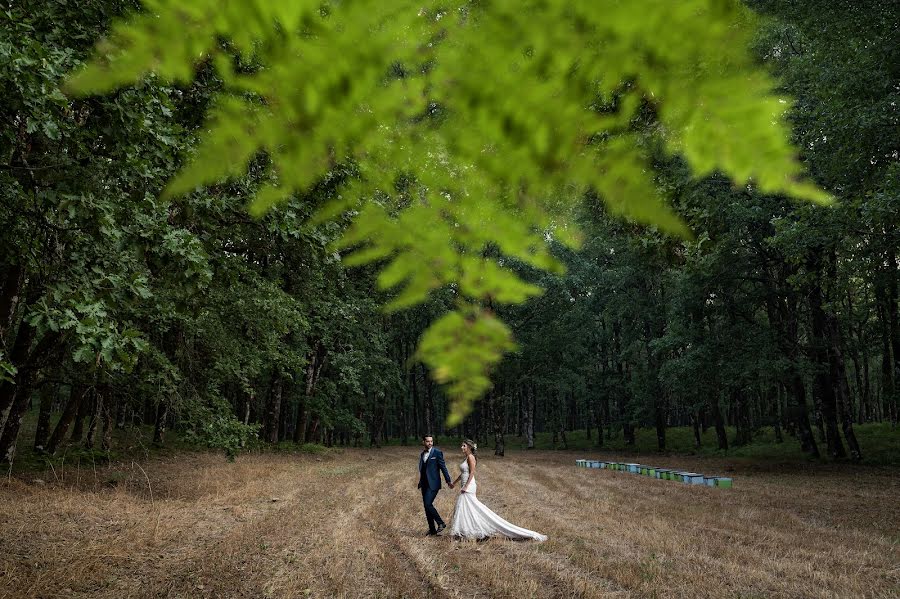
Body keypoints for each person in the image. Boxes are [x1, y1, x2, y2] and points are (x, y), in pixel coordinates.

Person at [449, 439, 547, 541]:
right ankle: (465, 530)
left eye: (463, 446)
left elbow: (472, 472)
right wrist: (454, 483)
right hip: (464, 485)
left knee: (467, 506)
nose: (461, 448)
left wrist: (466, 486)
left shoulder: (470, 457)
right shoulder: (466, 458)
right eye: (462, 446)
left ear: (469, 447)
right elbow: (464, 473)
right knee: (466, 507)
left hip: (469, 486)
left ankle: (466, 530)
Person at [417, 434, 453, 536]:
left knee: (428, 504)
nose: (430, 443)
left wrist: (448, 480)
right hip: (424, 484)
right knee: (426, 506)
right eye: (428, 441)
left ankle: (440, 523)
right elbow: (423, 469)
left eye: (431, 441)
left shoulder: (437, 453)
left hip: (434, 483)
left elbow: (443, 467)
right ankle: (432, 530)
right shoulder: (422, 454)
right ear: (423, 442)